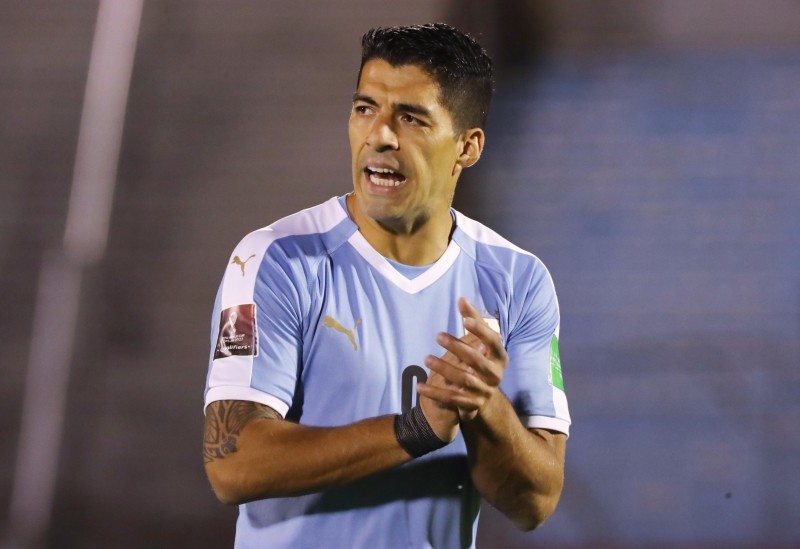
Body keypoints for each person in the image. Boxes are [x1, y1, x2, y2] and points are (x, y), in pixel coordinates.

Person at [202, 22, 570, 549]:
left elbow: (535, 502)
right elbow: (233, 465)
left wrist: (483, 406)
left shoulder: (518, 280)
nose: (380, 135)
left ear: (467, 147)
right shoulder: (275, 259)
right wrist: (418, 428)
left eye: (411, 118)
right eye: (364, 108)